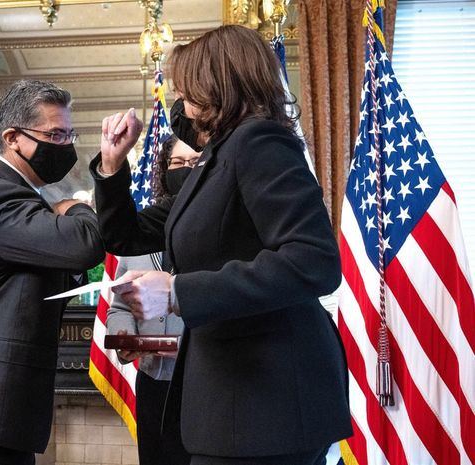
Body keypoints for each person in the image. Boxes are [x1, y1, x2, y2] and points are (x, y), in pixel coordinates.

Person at [91, 25, 352, 465]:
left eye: (187, 86)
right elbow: (124, 234)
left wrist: (177, 292)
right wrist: (114, 165)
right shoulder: (218, 159)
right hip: (234, 399)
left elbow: (315, 261)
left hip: (269, 402)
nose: (180, 99)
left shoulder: (259, 142)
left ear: (216, 84)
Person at [0, 79, 105, 465]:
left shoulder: (22, 196)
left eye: (69, 134)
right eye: (56, 134)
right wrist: (75, 205)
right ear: (13, 137)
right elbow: (84, 244)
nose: (66, 146)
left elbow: (42, 272)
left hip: (0, 406)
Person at [107, 135, 199, 465]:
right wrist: (123, 336)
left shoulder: (214, 234)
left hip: (199, 383)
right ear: (163, 170)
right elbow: (119, 305)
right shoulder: (142, 229)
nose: (186, 170)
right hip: (152, 381)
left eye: (195, 162)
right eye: (178, 163)